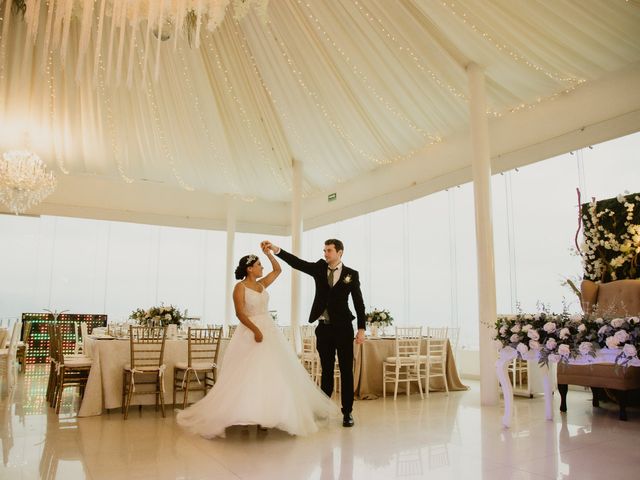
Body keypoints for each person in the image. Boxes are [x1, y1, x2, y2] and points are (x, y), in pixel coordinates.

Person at [176, 246, 338, 438]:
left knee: (272, 372)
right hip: (251, 332)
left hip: (269, 330)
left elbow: (278, 270)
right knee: (248, 374)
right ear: (249, 268)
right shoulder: (240, 287)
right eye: (259, 264)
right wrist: (255, 330)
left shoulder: (261, 285)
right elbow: (239, 313)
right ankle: (244, 414)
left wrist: (270, 254)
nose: (262, 267)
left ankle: (268, 415)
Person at [262, 239, 366, 427]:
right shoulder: (319, 268)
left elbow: (359, 303)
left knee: (345, 370)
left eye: (329, 250)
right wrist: (276, 250)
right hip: (323, 328)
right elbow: (297, 263)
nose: (325, 253)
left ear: (340, 252)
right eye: (324, 250)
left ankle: (347, 412)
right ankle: (325, 409)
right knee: (326, 370)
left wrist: (361, 329)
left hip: (343, 328)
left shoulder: (351, 274)